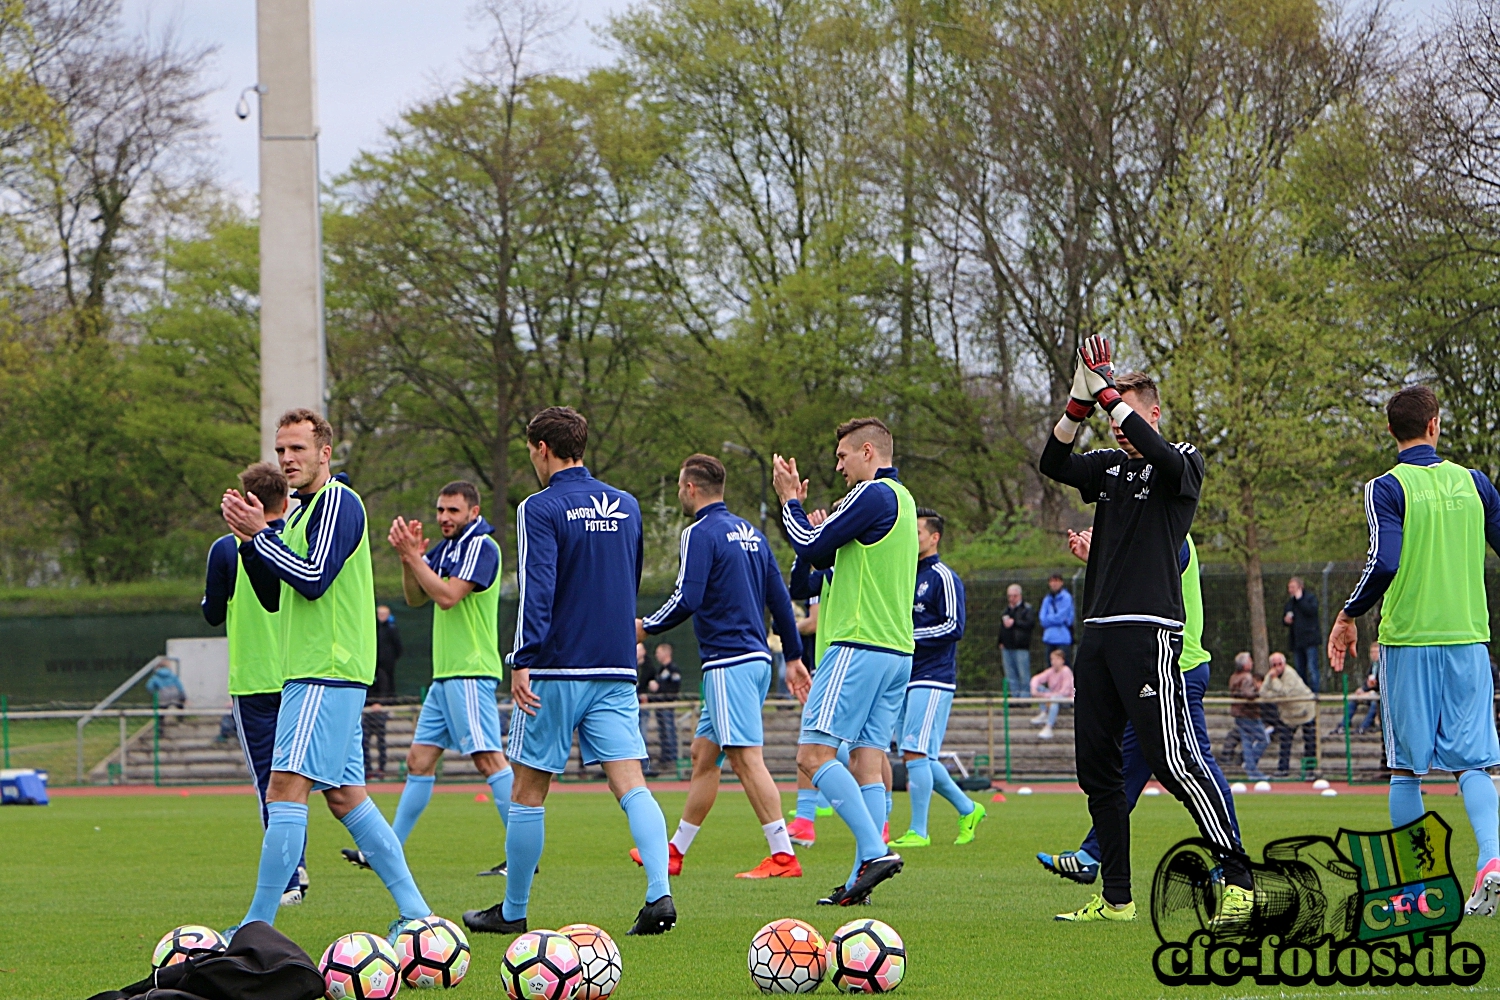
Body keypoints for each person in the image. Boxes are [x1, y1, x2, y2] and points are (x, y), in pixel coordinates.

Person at [1037, 337, 1252, 927]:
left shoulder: (1181, 461)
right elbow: (1053, 464)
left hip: (1151, 632)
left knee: (1176, 764)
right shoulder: (1108, 467)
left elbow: (1160, 453)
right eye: (1113, 416)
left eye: (1125, 413)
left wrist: (1107, 391)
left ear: (1151, 412)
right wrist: (1078, 406)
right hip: (1099, 634)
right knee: (1098, 769)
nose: (1119, 428)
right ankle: (1116, 899)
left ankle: (1240, 878)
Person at [463, 406, 675, 937]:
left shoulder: (540, 506)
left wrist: (523, 659)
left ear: (541, 448)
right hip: (617, 664)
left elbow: (539, 586)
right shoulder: (626, 505)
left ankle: (512, 911)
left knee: (528, 791)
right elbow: (629, 575)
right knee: (632, 785)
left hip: (557, 667)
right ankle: (659, 896)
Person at [221, 408, 431, 938]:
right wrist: (252, 539)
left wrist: (258, 537)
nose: (288, 459)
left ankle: (255, 930)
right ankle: (418, 915)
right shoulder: (294, 514)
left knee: (284, 789)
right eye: (281, 450)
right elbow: (272, 595)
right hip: (312, 672)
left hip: (326, 670)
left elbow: (313, 578)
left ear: (324, 453)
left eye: (297, 449)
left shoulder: (338, 501)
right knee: (345, 797)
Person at [1329, 385, 1500, 917]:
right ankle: (1492, 862)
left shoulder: (1386, 487)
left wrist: (1349, 614)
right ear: (1435, 425)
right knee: (1476, 765)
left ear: (1390, 432)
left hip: (1408, 641)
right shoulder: (1475, 484)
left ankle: (1419, 888)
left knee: (1407, 770)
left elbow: (1384, 562)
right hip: (1468, 638)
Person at [634, 453, 808, 879]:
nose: (679, 492)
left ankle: (783, 855)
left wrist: (645, 626)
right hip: (752, 659)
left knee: (747, 759)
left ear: (691, 488)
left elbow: (687, 597)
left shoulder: (699, 532)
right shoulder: (751, 533)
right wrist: (793, 656)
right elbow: (780, 602)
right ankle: (675, 851)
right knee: (703, 756)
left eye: (679, 485)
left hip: (729, 661)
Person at [1037, 529, 1240, 887]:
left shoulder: (1170, 535)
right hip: (1149, 671)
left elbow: (1143, 583)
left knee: (1197, 768)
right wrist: (1097, 559)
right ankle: (1091, 854)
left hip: (1177, 669)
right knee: (1127, 771)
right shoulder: (1149, 535)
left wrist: (1101, 554)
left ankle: (1232, 862)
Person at [772, 416, 915, 906]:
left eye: (842, 457)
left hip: (859, 644)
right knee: (867, 764)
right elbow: (808, 573)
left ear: (869, 452)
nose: (839, 468)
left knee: (812, 756)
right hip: (896, 652)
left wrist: (789, 500)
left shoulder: (872, 494)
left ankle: (875, 852)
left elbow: (811, 545)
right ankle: (861, 879)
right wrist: (814, 532)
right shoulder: (902, 501)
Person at [342, 481, 515, 876]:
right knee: (418, 761)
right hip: (446, 674)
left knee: (489, 759)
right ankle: (385, 851)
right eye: (440, 510)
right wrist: (410, 561)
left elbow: (448, 596)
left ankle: (522, 853)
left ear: (473, 511)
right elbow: (416, 597)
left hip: (469, 669)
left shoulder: (481, 546)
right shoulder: (448, 549)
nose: (444, 518)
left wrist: (414, 558)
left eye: (453, 511)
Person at [202, 461, 306, 906]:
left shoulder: (226, 549)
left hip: (252, 679)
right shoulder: (298, 539)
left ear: (246, 502)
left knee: (271, 784)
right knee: (320, 783)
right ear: (285, 501)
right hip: (301, 672)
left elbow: (212, 613)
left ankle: (291, 877)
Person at [889, 508, 986, 849]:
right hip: (906, 675)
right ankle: (968, 807)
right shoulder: (903, 574)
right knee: (919, 755)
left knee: (916, 752)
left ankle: (919, 831)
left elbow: (953, 626)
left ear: (934, 538)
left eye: (917, 533)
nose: (911, 539)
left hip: (933, 676)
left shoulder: (943, 577)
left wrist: (907, 636)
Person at [1260, 652, 1316, 777]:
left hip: (1305, 711)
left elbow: (1285, 692)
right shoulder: (1271, 675)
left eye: (1279, 664)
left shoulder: (1289, 674)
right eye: (1274, 665)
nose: (1277, 667)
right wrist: (1275, 694)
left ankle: (1310, 770)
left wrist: (1274, 683)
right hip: (1288, 716)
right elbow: (1263, 692)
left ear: (1284, 664)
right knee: (1285, 742)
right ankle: (1283, 769)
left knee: (1310, 742)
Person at [1229, 655, 1268, 780]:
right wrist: (1258, 691)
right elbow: (1248, 694)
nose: (1252, 662)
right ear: (1245, 665)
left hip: (1239, 714)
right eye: (1250, 660)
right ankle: (1251, 768)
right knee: (1263, 740)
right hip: (1249, 714)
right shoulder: (1246, 677)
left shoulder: (1233, 677)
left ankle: (1252, 771)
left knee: (1246, 742)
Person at [1283, 577, 1321, 693]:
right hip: (1297, 641)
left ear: (1300, 587)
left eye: (1292, 587)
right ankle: (1303, 692)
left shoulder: (1310, 599)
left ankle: (1315, 692)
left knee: (1312, 668)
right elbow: (1285, 617)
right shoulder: (1290, 603)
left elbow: (1312, 611)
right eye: (1289, 587)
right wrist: (1286, 620)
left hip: (1310, 640)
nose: (1290, 590)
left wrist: (1300, 600)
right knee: (1300, 669)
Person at [997, 585, 1035, 696]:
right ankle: (1015, 697)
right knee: (1010, 675)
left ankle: (1024, 699)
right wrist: (1000, 641)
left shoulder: (1027, 609)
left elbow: (1030, 624)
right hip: (1007, 647)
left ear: (1020, 596)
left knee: (1023, 674)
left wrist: (1015, 623)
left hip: (1021, 646)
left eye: (1014, 596)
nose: (1012, 599)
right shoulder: (1006, 611)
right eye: (1010, 596)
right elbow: (1002, 628)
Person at [1029, 649, 1074, 739]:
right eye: (1052, 659)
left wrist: (1043, 695)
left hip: (1066, 699)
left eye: (1057, 659)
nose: (1054, 662)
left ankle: (1049, 727)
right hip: (1053, 696)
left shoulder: (1066, 671)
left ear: (1062, 660)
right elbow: (1036, 678)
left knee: (1054, 699)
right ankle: (1044, 713)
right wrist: (1034, 689)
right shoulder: (1051, 671)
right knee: (1040, 688)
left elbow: (1064, 692)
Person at [650, 643, 682, 770]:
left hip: (667, 706)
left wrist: (660, 688)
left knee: (669, 730)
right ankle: (665, 756)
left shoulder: (673, 669)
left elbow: (674, 687)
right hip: (659, 705)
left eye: (659, 652)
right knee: (662, 731)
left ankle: (672, 757)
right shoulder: (661, 670)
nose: (657, 655)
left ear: (666, 653)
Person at [1039, 574, 1075, 665]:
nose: (1054, 584)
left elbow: (1062, 617)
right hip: (1049, 638)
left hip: (1063, 638)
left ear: (1061, 583)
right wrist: (1055, 619)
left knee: (1065, 667)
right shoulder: (1047, 599)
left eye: (1056, 581)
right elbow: (1042, 619)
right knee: (1050, 668)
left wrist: (1049, 619)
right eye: (1052, 581)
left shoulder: (1066, 597)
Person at [635, 643, 656, 775]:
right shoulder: (630, 665)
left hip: (643, 706)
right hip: (630, 706)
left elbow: (654, 684)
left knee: (642, 734)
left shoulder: (650, 667)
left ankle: (644, 764)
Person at [374, 605, 402, 699]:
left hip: (388, 661)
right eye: (380, 614)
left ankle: (390, 700)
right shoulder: (374, 628)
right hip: (375, 660)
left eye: (384, 614)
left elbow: (397, 645)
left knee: (389, 680)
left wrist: (393, 657)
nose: (382, 616)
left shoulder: (392, 628)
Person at [363, 703, 390, 780]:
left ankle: (381, 769)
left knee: (381, 745)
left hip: (380, 712)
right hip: (367, 713)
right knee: (364, 744)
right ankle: (368, 769)